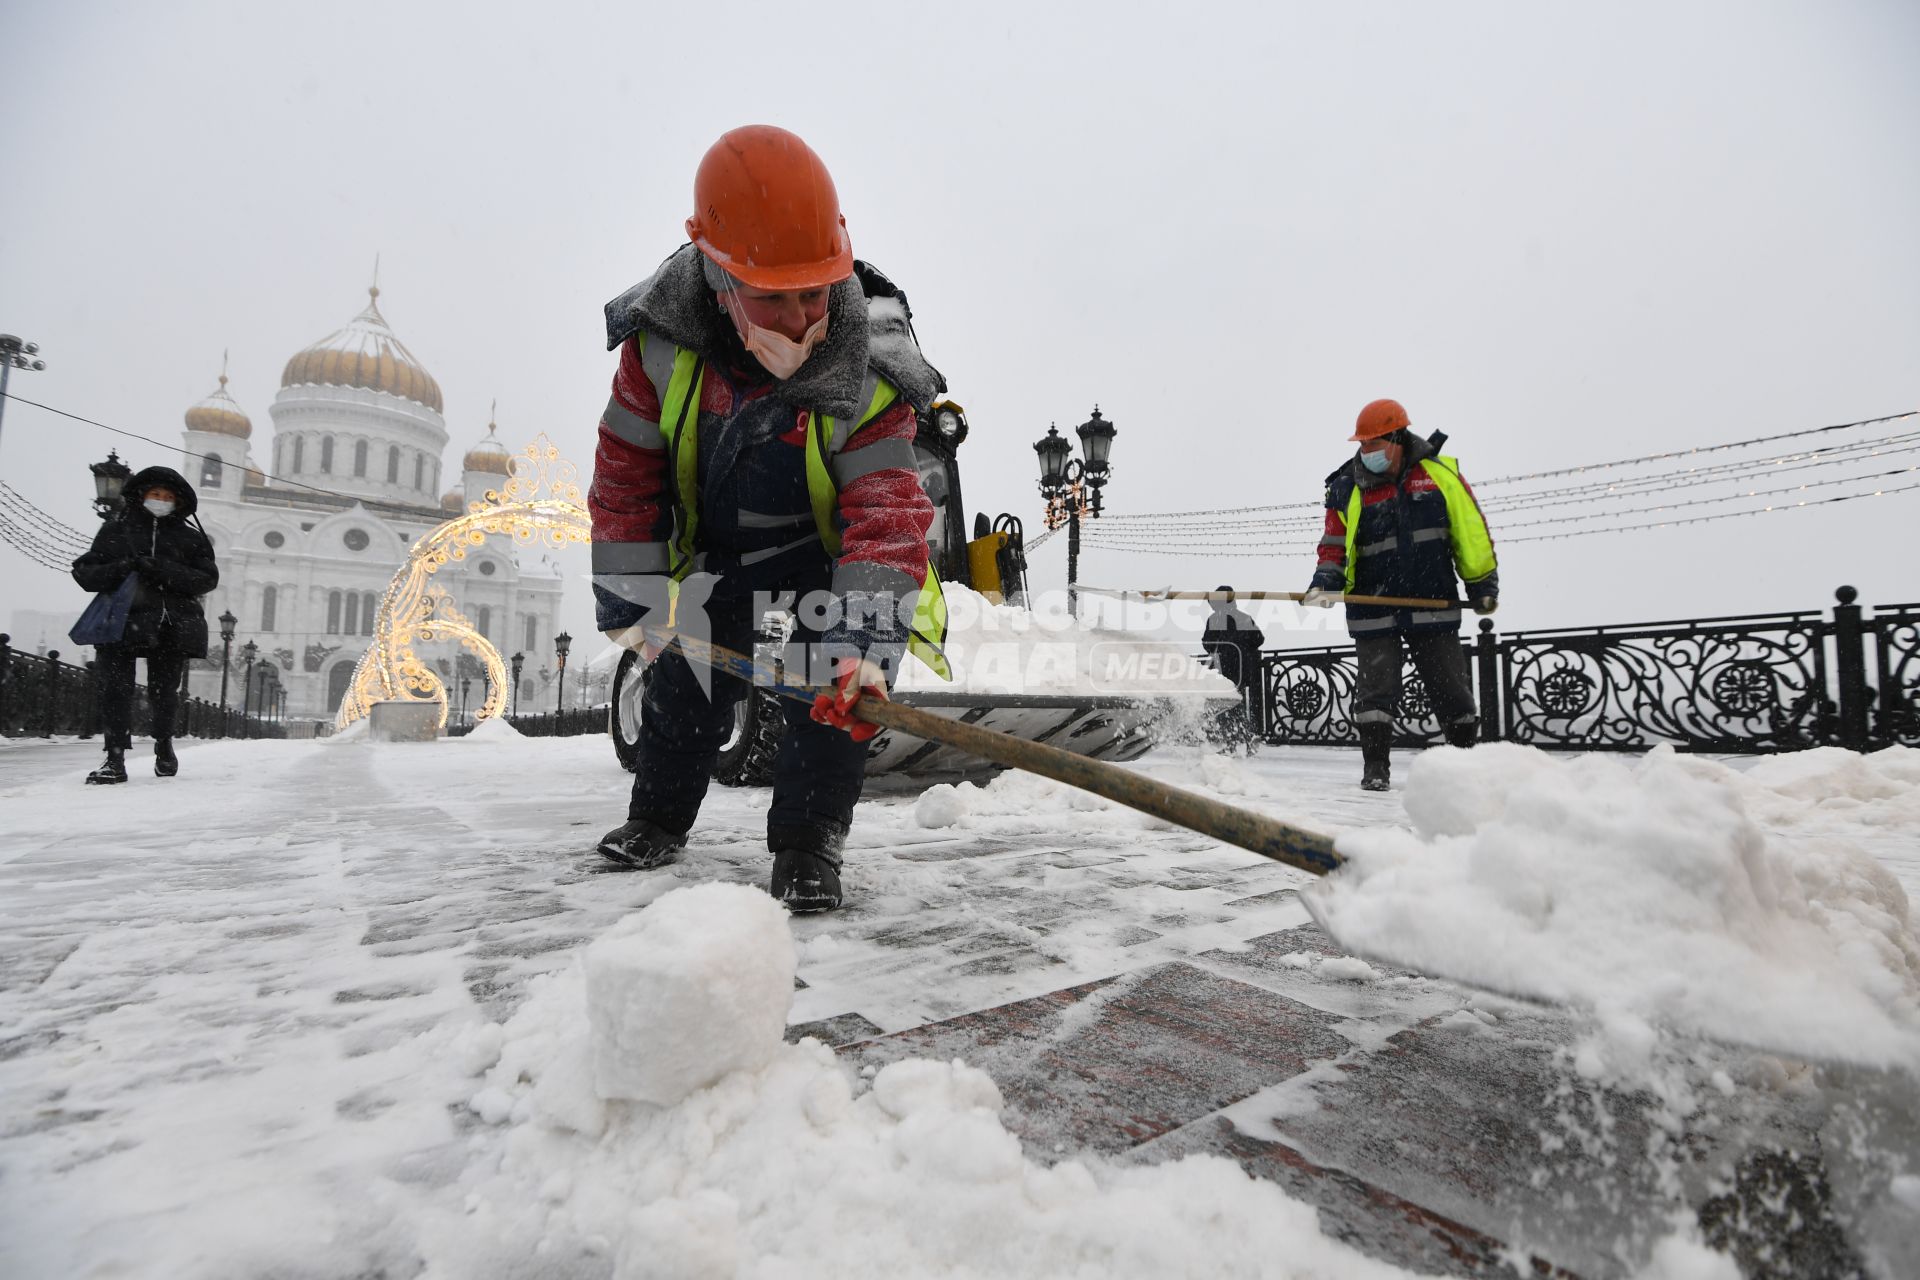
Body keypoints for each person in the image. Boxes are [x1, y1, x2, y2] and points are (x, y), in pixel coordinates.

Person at [589, 125, 946, 912]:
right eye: (769, 296)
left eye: (812, 293)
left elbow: (886, 516)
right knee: (684, 677)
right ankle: (655, 816)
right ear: (718, 275)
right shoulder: (658, 350)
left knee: (827, 695)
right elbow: (625, 477)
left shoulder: (870, 372)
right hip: (716, 552)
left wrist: (862, 646)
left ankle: (809, 844)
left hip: (820, 558)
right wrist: (635, 603)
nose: (795, 321)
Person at [1302, 399, 1498, 791]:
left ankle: (1463, 764)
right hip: (1371, 605)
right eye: (1363, 445)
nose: (1367, 452)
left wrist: (1482, 585)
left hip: (1432, 600)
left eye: (1375, 444)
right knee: (1375, 692)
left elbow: (1469, 531)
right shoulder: (1346, 486)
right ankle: (1376, 768)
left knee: (1450, 688)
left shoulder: (1438, 475)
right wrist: (1325, 582)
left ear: (1398, 439)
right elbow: (1333, 544)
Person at [70, 466, 219, 784]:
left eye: (167, 497)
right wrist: (126, 566)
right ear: (142, 496)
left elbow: (207, 578)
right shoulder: (117, 530)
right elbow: (86, 572)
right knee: (115, 689)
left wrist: (164, 570)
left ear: (178, 502)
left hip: (171, 623)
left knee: (164, 691)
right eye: (155, 495)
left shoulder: (190, 537)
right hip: (122, 621)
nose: (161, 500)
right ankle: (115, 757)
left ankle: (164, 744)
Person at [1200, 586, 1264, 750]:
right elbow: (1258, 639)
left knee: (1224, 707)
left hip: (1223, 670)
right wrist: (1242, 648)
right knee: (1239, 705)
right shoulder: (1244, 617)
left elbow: (1207, 643)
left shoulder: (1215, 619)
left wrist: (1223, 648)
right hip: (1242, 668)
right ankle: (1248, 738)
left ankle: (1232, 742)